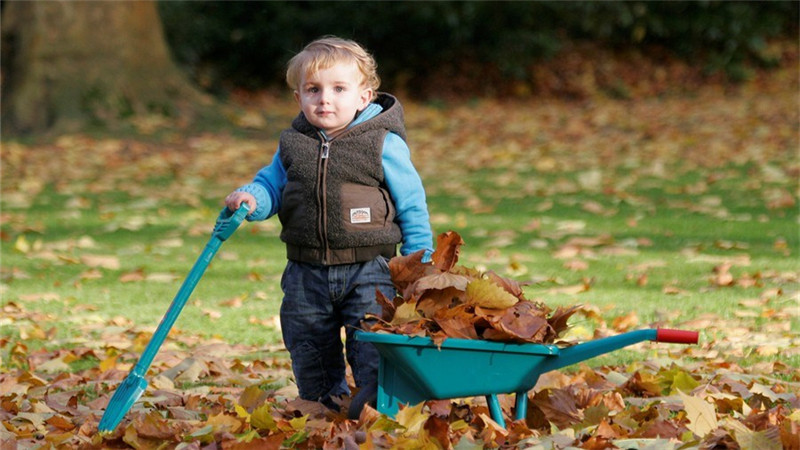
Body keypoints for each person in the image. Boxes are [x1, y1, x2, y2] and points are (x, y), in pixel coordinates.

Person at [224, 36, 434, 412]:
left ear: (364, 96)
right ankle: (323, 407)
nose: (325, 99)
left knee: (370, 344)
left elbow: (411, 204)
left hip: (370, 269)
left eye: (339, 89)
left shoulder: (382, 142)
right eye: (313, 90)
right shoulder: (293, 143)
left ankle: (374, 410)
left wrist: (420, 261)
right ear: (298, 98)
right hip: (306, 271)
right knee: (308, 343)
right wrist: (251, 199)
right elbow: (271, 185)